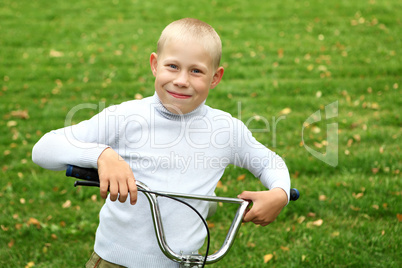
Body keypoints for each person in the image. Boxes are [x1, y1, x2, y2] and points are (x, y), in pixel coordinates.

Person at [32, 18, 291, 268]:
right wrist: (102, 155)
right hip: (114, 261)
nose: (181, 80)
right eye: (173, 66)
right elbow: (44, 149)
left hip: (185, 263)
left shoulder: (225, 130)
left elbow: (269, 162)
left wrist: (280, 193)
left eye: (196, 71)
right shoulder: (126, 117)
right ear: (155, 65)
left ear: (215, 77)